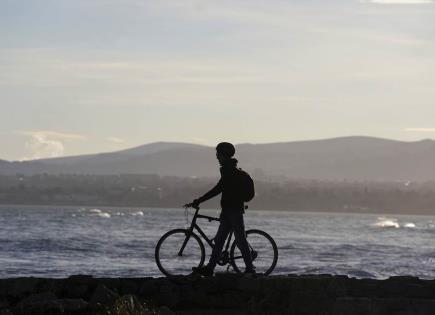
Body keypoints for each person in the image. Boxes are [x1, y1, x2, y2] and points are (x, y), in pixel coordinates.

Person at [187, 142, 255, 276]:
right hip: (227, 211)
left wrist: (199, 200)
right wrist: (199, 200)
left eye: (218, 154)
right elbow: (219, 189)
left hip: (234, 211)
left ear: (224, 155)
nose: (217, 157)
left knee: (240, 240)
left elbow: (217, 189)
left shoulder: (230, 172)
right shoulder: (227, 170)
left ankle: (250, 268)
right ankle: (210, 268)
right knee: (219, 241)